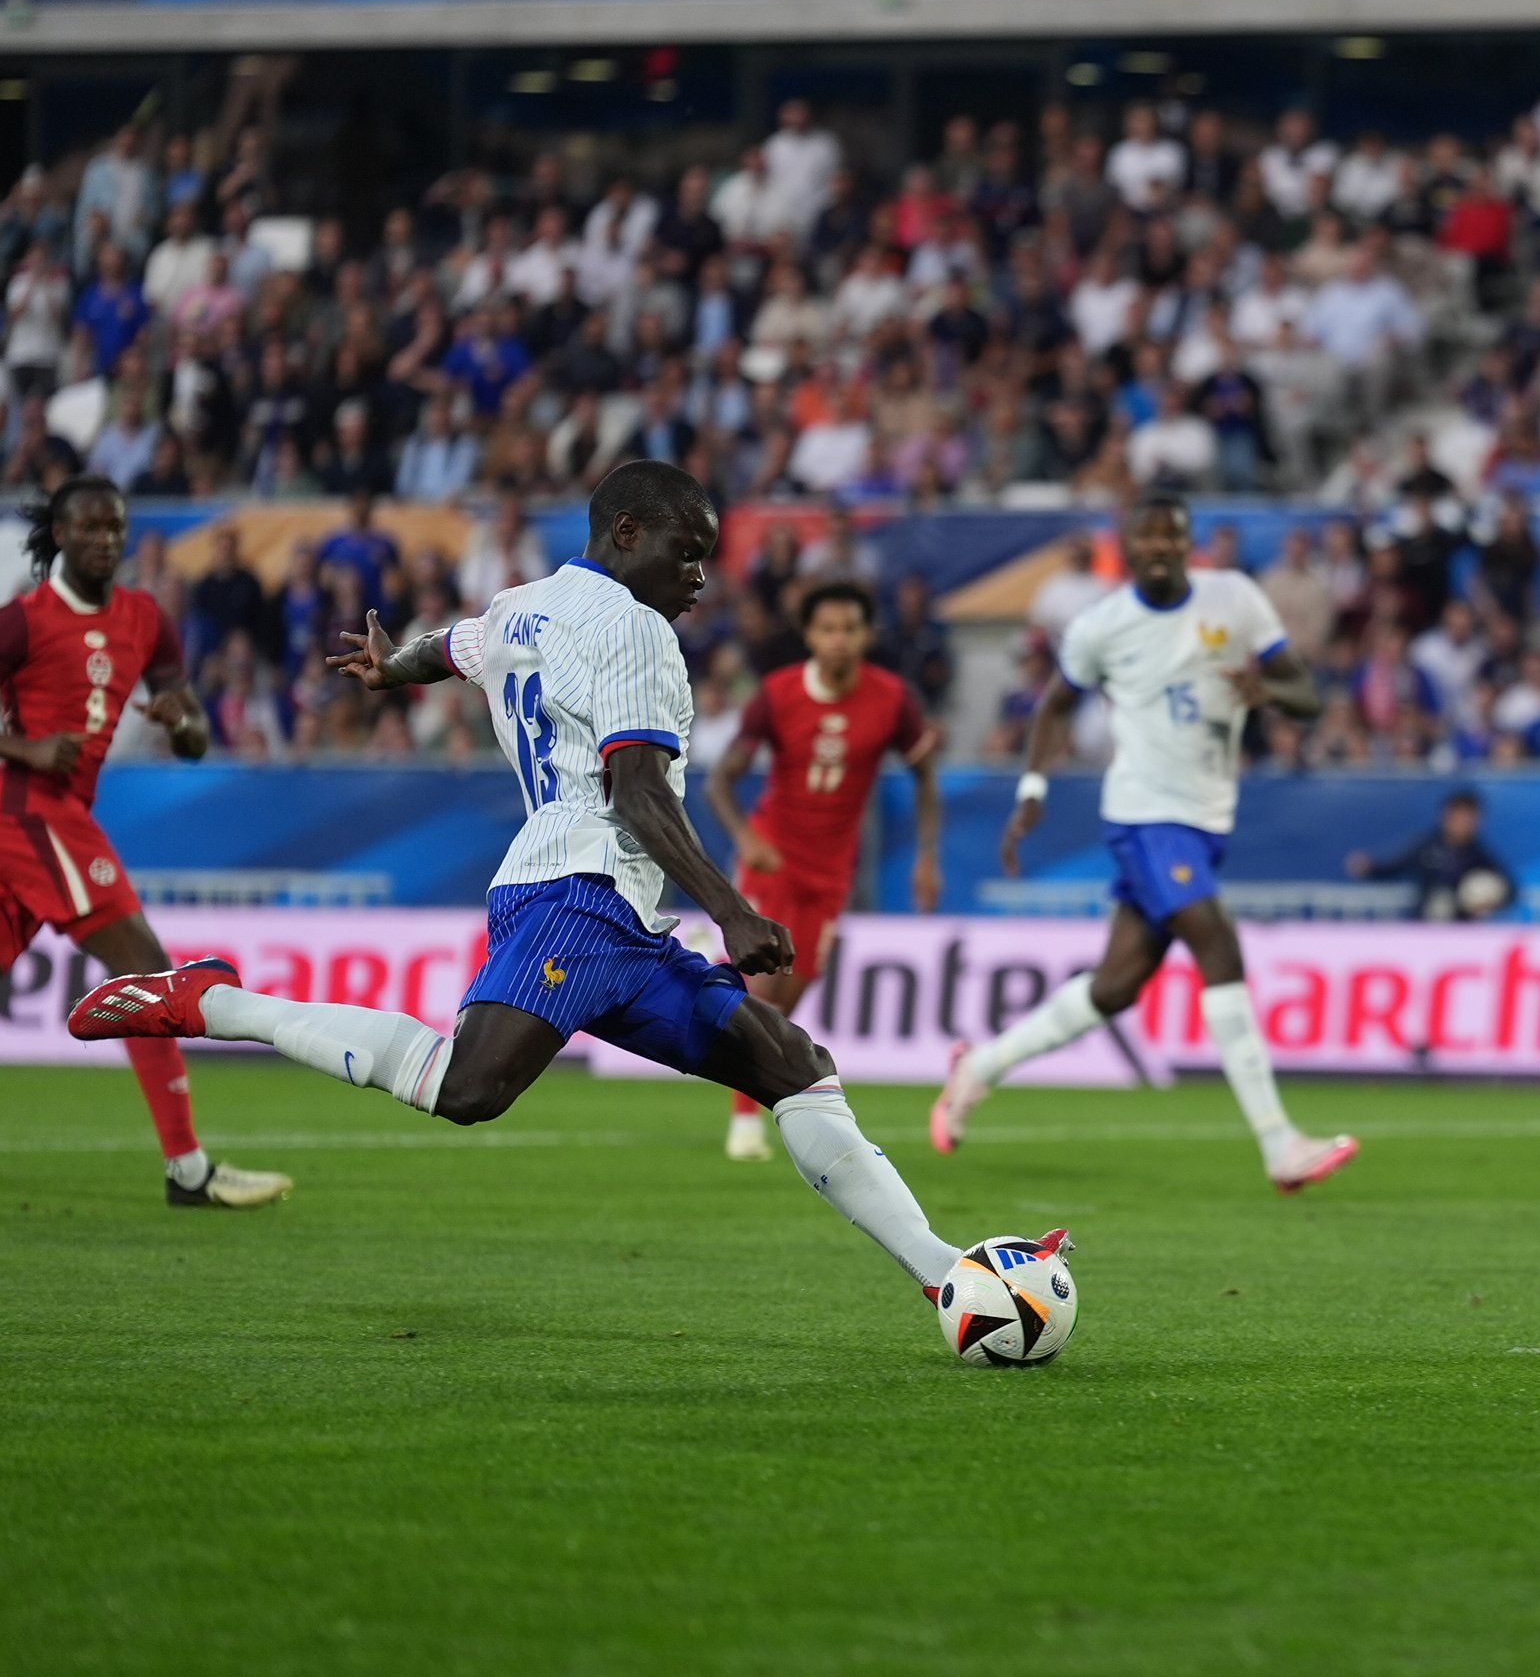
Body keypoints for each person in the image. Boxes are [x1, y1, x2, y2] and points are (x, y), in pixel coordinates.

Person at [71, 462, 1059, 1325]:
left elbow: (447, 647)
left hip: (614, 913)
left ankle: (946, 1273)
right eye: (686, 551)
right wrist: (732, 905)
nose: (699, 575)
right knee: (468, 1088)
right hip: (578, 890)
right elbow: (634, 791)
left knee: (793, 1063)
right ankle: (217, 999)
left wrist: (390, 670)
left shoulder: (517, 606)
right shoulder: (633, 629)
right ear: (626, 533)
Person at [930, 492, 1357, 1193]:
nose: (1159, 547)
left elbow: (1306, 694)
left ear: (1188, 542)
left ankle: (979, 1068)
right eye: (1146, 537)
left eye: (1171, 536)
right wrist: (1032, 792)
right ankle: (1280, 1144)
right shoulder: (1104, 627)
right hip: (1145, 814)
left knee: (1116, 985)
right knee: (1216, 942)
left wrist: (1267, 689)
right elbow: (1057, 705)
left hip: (1207, 818)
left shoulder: (1236, 597)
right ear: (1127, 549)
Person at [0, 476, 286, 1210]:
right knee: (146, 969)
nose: (105, 540)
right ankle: (189, 1173)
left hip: (54, 817)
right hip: (25, 811)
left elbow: (198, 742)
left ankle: (189, 1172)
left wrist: (182, 722)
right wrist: (23, 749)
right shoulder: (20, 623)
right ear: (59, 534)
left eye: (114, 527)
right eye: (88, 528)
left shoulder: (146, 619)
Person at [706, 581, 943, 1163]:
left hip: (832, 871)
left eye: (850, 629)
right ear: (810, 636)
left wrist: (928, 859)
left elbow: (927, 779)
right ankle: (744, 1126)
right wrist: (746, 836)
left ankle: (710, 972)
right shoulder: (777, 694)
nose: (839, 640)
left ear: (866, 635)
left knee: (794, 988)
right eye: (827, 629)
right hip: (775, 858)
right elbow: (720, 781)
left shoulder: (892, 698)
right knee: (764, 994)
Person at [1348, 788, 1515, 919]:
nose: (1462, 823)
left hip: (1462, 932)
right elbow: (1396, 867)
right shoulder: (1427, 846)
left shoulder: (1480, 855)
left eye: (1469, 818)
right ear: (1446, 816)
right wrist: (1370, 869)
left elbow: (1510, 890)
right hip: (1425, 928)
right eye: (1458, 816)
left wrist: (1490, 902)